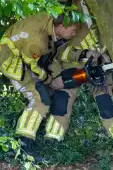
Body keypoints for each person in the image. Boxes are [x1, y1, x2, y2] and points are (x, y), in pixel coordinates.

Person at [44, 0, 113, 150]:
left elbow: (103, 25)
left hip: (97, 61)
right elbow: (52, 48)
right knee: (61, 102)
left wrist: (103, 51)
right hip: (69, 65)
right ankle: (51, 143)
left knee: (104, 101)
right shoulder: (47, 12)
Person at [0, 12, 78, 156]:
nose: (74, 33)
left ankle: (33, 134)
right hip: (11, 62)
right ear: (61, 27)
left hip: (20, 56)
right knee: (39, 99)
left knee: (43, 95)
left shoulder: (46, 21)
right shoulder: (38, 41)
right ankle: (24, 144)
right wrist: (49, 80)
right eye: (72, 30)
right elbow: (32, 66)